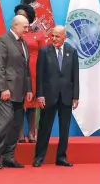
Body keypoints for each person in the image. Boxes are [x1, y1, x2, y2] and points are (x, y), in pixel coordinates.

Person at [0, 15, 33, 169]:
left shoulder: (23, 43)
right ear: (15, 26)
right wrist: (3, 88)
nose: (27, 30)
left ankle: (8, 156)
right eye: (25, 27)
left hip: (20, 91)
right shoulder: (2, 40)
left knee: (16, 124)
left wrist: (29, 89)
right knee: (5, 122)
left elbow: (26, 69)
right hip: (5, 91)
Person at [33, 26, 77, 167]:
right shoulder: (45, 51)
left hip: (66, 96)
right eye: (53, 36)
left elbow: (75, 76)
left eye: (57, 36)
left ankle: (61, 157)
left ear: (64, 37)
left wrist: (75, 96)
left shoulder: (72, 51)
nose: (54, 39)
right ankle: (39, 157)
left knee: (64, 129)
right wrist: (40, 95)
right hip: (48, 96)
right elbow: (39, 76)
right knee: (45, 127)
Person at [14, 4, 47, 143]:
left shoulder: (38, 33)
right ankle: (20, 134)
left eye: (24, 15)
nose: (21, 16)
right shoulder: (15, 33)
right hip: (18, 71)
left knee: (32, 104)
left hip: (34, 71)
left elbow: (45, 55)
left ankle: (32, 133)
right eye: (18, 15)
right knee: (19, 103)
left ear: (30, 17)